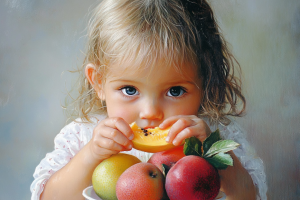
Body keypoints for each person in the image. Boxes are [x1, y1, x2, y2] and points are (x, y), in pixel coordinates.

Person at [30, 0, 267, 199]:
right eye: (130, 90)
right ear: (99, 83)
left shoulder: (215, 136)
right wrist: (91, 154)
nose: (151, 112)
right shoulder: (84, 137)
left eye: (175, 91)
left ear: (205, 84)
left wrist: (212, 152)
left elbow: (252, 195)